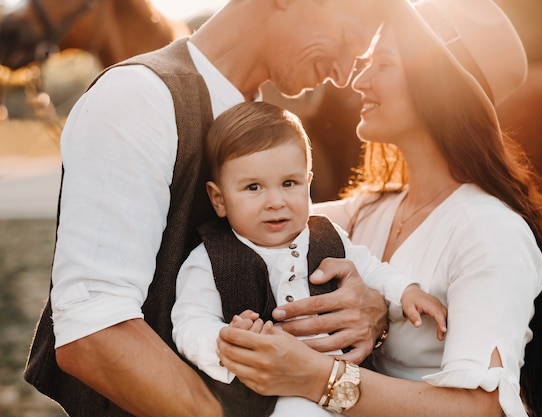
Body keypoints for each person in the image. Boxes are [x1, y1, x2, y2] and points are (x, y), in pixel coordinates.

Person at [216, 1, 542, 417]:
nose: (359, 80)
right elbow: (242, 217)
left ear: (437, 85)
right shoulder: (368, 212)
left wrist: (317, 377)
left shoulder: (489, 231)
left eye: (384, 63)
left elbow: (483, 408)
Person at [23, 1, 400, 416]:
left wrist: (375, 307)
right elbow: (93, 335)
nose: (345, 75)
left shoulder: (264, 126)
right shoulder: (137, 98)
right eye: (348, 40)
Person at [171, 100, 448, 417]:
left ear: (308, 183)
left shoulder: (327, 236)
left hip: (350, 386)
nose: (275, 201)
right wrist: (227, 340)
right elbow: (189, 323)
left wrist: (406, 291)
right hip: (271, 399)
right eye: (253, 187)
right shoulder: (209, 257)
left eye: (289, 183)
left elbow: (372, 270)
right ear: (219, 199)